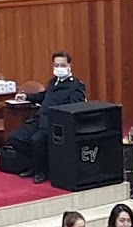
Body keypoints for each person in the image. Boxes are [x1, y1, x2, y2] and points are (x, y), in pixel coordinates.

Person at [5, 51, 87, 184]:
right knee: (15, 137)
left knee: (37, 140)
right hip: (39, 118)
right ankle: (34, 163)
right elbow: (44, 96)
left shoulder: (76, 86)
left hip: (55, 122)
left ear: (69, 65)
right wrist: (27, 97)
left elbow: (75, 106)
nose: (59, 68)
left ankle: (41, 171)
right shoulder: (53, 82)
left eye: (62, 65)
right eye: (56, 65)